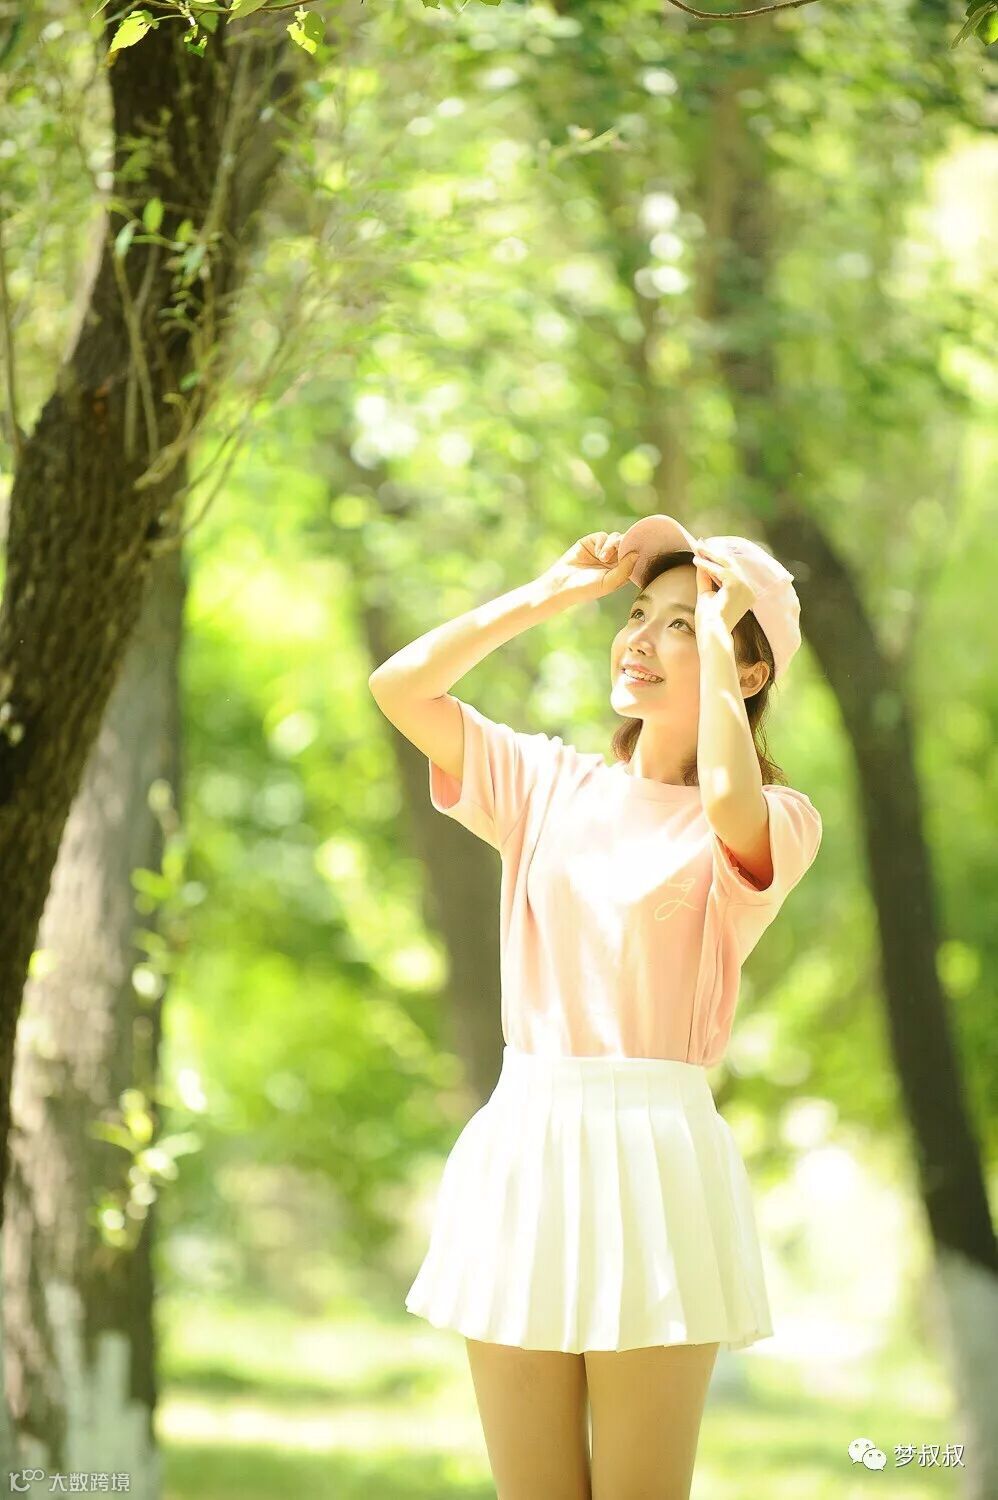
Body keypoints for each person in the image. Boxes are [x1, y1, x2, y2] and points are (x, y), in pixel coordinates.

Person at [368, 513, 823, 1500]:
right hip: (526, 1144)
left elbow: (728, 803)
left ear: (748, 671)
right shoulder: (546, 784)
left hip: (657, 1160)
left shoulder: (778, 820)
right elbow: (400, 687)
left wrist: (714, 633)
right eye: (638, 614)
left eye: (684, 622)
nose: (641, 638)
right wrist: (550, 594)